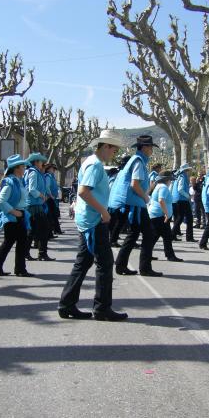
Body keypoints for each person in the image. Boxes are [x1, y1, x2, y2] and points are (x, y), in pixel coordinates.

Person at [58, 129, 128, 321]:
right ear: (106, 146)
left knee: (84, 262)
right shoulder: (95, 165)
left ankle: (67, 304)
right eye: (114, 150)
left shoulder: (90, 162)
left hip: (88, 219)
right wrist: (103, 211)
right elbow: (83, 192)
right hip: (93, 220)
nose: (115, 154)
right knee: (105, 264)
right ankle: (102, 309)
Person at [109, 135, 162, 277]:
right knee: (148, 234)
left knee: (133, 235)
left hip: (130, 203)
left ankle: (121, 265)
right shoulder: (139, 161)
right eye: (150, 147)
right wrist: (146, 197)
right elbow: (135, 184)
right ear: (144, 148)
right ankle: (145, 268)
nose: (151, 150)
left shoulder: (135, 160)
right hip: (135, 204)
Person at [0, 154, 33, 277]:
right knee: (10, 243)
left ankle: (16, 269)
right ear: (16, 168)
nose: (24, 168)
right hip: (12, 217)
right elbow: (1, 201)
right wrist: (15, 212)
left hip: (19, 215)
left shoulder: (18, 181)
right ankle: (3, 268)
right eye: (22, 166)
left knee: (20, 243)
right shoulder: (10, 182)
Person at [24, 153, 54, 262]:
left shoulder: (33, 172)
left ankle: (28, 253)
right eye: (41, 161)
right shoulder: (33, 173)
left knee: (33, 231)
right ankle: (41, 254)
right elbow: (32, 189)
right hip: (34, 205)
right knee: (44, 229)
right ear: (36, 162)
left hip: (34, 205)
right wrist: (42, 196)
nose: (42, 163)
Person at [148, 170, 183, 262]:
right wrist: (167, 214)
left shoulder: (158, 186)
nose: (171, 182)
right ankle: (170, 256)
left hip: (156, 215)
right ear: (167, 180)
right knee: (166, 237)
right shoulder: (163, 187)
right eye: (170, 180)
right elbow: (161, 200)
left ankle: (148, 254)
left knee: (156, 236)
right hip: (160, 216)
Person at [109, 154, 131, 247]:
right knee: (117, 222)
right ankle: (112, 240)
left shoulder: (121, 172)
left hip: (116, 201)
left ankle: (113, 240)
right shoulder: (122, 173)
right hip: (118, 202)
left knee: (118, 222)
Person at [171, 163, 196, 242]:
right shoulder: (182, 176)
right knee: (187, 218)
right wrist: (188, 196)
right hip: (182, 200)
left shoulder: (178, 176)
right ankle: (188, 237)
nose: (189, 171)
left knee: (179, 218)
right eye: (188, 169)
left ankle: (173, 235)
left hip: (177, 200)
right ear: (186, 170)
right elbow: (180, 189)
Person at [44, 162, 63, 235]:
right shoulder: (48, 176)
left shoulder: (51, 176)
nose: (54, 170)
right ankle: (55, 230)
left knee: (53, 215)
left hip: (52, 198)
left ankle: (55, 230)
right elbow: (47, 187)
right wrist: (51, 196)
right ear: (48, 169)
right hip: (49, 198)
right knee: (52, 215)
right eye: (52, 169)